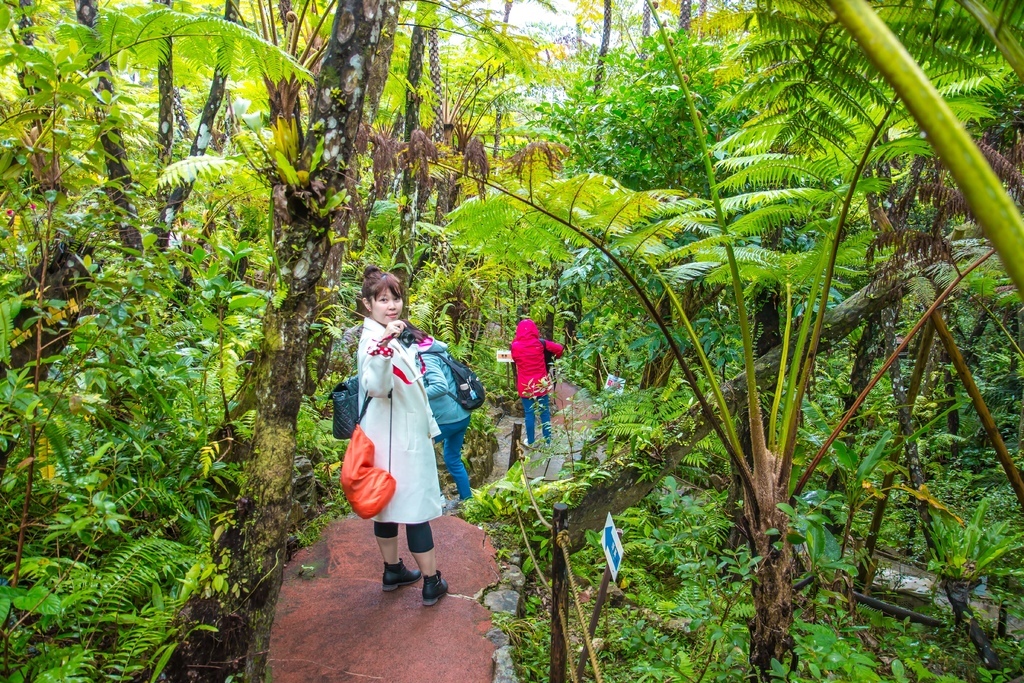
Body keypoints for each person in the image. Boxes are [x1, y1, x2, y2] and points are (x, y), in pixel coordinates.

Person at [357, 265, 448, 606]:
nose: (391, 305)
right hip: (399, 442)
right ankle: (431, 580)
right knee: (415, 511)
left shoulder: (393, 334)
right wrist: (383, 345)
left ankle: (392, 570)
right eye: (382, 300)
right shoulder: (373, 341)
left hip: (389, 438)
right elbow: (377, 387)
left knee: (386, 508)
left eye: (395, 298)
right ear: (368, 304)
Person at [399, 322, 473, 502]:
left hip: (447, 419)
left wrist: (413, 395)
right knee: (452, 459)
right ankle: (468, 501)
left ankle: (435, 497)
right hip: (461, 414)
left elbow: (440, 386)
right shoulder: (434, 347)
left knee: (419, 452)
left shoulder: (425, 355)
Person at [510, 319, 564, 444]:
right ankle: (548, 441)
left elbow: (514, 356)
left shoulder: (515, 346)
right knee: (544, 412)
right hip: (541, 384)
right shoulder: (541, 343)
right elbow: (559, 349)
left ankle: (531, 441)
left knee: (529, 414)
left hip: (525, 386)